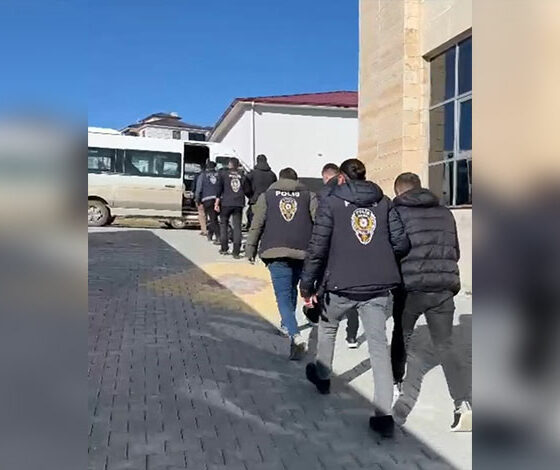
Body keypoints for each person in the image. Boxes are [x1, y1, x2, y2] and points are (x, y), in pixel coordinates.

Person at [299, 158, 409, 438]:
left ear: (342, 178)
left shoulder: (331, 203)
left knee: (328, 327)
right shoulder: (384, 202)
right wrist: (376, 256)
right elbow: (401, 243)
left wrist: (307, 285)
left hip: (340, 283)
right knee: (378, 347)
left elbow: (317, 247)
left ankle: (323, 377)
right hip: (377, 286)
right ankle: (384, 416)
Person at [389, 172, 471, 432]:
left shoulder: (397, 212)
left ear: (399, 191)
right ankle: (463, 404)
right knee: (445, 346)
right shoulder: (445, 212)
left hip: (410, 287)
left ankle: (396, 385)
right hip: (443, 287)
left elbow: (394, 249)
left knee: (401, 336)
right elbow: (455, 250)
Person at [246, 167, 317, 360]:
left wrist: (250, 248)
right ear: (296, 179)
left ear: (279, 179)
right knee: (292, 288)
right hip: (303, 252)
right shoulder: (309, 196)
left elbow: (257, 224)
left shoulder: (267, 196)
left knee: (283, 296)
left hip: (275, 251)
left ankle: (295, 335)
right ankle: (287, 324)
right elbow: (318, 222)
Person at [316, 163, 359, 348]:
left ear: (327, 176)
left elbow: (320, 227)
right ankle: (352, 336)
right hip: (356, 247)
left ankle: (324, 320)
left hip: (333, 248)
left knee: (330, 288)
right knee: (354, 293)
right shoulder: (358, 193)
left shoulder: (325, 194)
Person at [215, 158, 245, 259]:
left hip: (226, 202)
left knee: (223, 224)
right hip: (238, 203)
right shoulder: (242, 175)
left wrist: (217, 202)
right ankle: (236, 251)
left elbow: (219, 189)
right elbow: (247, 189)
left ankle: (224, 248)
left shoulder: (224, 174)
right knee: (237, 227)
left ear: (230, 165)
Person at [243, 154, 277, 230]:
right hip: (269, 200)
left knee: (254, 221)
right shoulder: (272, 174)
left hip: (255, 200)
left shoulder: (252, 174)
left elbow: (245, 185)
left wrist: (250, 195)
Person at [195, 161, 220, 244]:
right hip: (218, 199)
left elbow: (199, 189)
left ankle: (218, 237)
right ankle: (210, 234)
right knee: (214, 218)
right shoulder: (219, 175)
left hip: (207, 199)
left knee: (213, 219)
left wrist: (197, 199)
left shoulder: (202, 175)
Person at [194, 172, 208, 236]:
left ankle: (204, 230)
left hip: (202, 198)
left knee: (201, 214)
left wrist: (197, 199)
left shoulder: (201, 176)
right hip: (212, 198)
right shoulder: (215, 175)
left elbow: (198, 189)